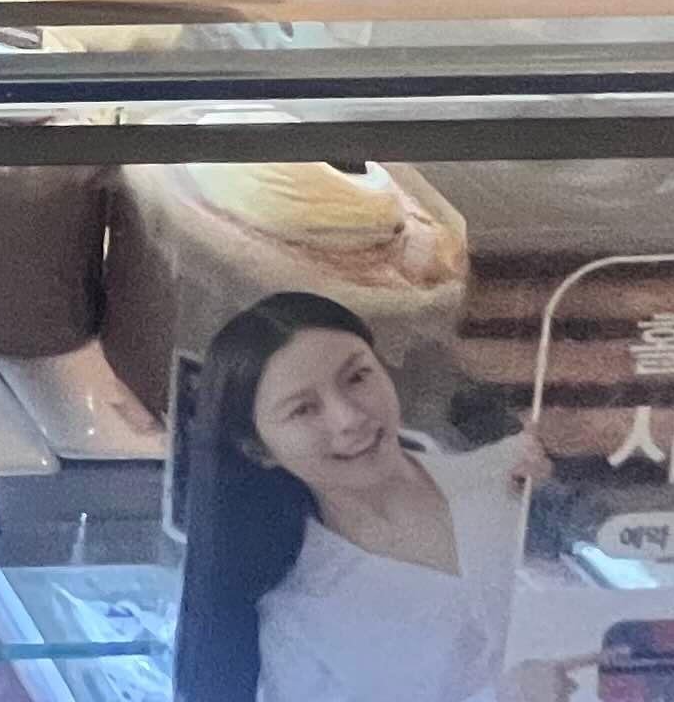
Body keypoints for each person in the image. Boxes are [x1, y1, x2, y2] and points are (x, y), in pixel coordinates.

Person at [175, 289, 534, 702]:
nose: (349, 418)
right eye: (303, 409)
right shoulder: (300, 620)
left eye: (358, 377)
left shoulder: (505, 475)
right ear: (259, 450)